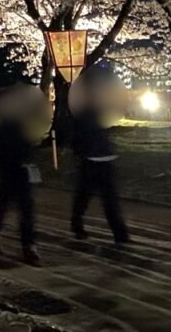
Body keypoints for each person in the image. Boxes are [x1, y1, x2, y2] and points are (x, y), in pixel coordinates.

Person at [69, 92, 130, 245]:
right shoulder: (93, 116)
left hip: (94, 159)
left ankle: (78, 225)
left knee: (87, 197)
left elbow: (76, 139)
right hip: (98, 159)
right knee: (106, 199)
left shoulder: (83, 116)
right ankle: (119, 233)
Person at [0, 112, 40, 265]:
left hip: (22, 172)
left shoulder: (23, 124)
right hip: (7, 172)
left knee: (26, 210)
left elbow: (29, 147)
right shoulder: (0, 128)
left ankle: (29, 245)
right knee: (2, 206)